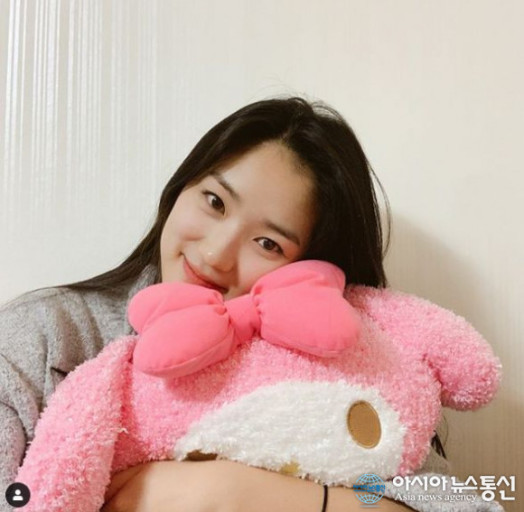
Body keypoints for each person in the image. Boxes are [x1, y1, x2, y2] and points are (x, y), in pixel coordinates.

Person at [0, 97, 497, 512]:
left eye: (268, 244)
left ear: (312, 270)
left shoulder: (343, 363)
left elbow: (463, 504)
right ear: (180, 189)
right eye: (215, 202)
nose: (216, 254)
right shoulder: (48, 336)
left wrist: (248, 495)